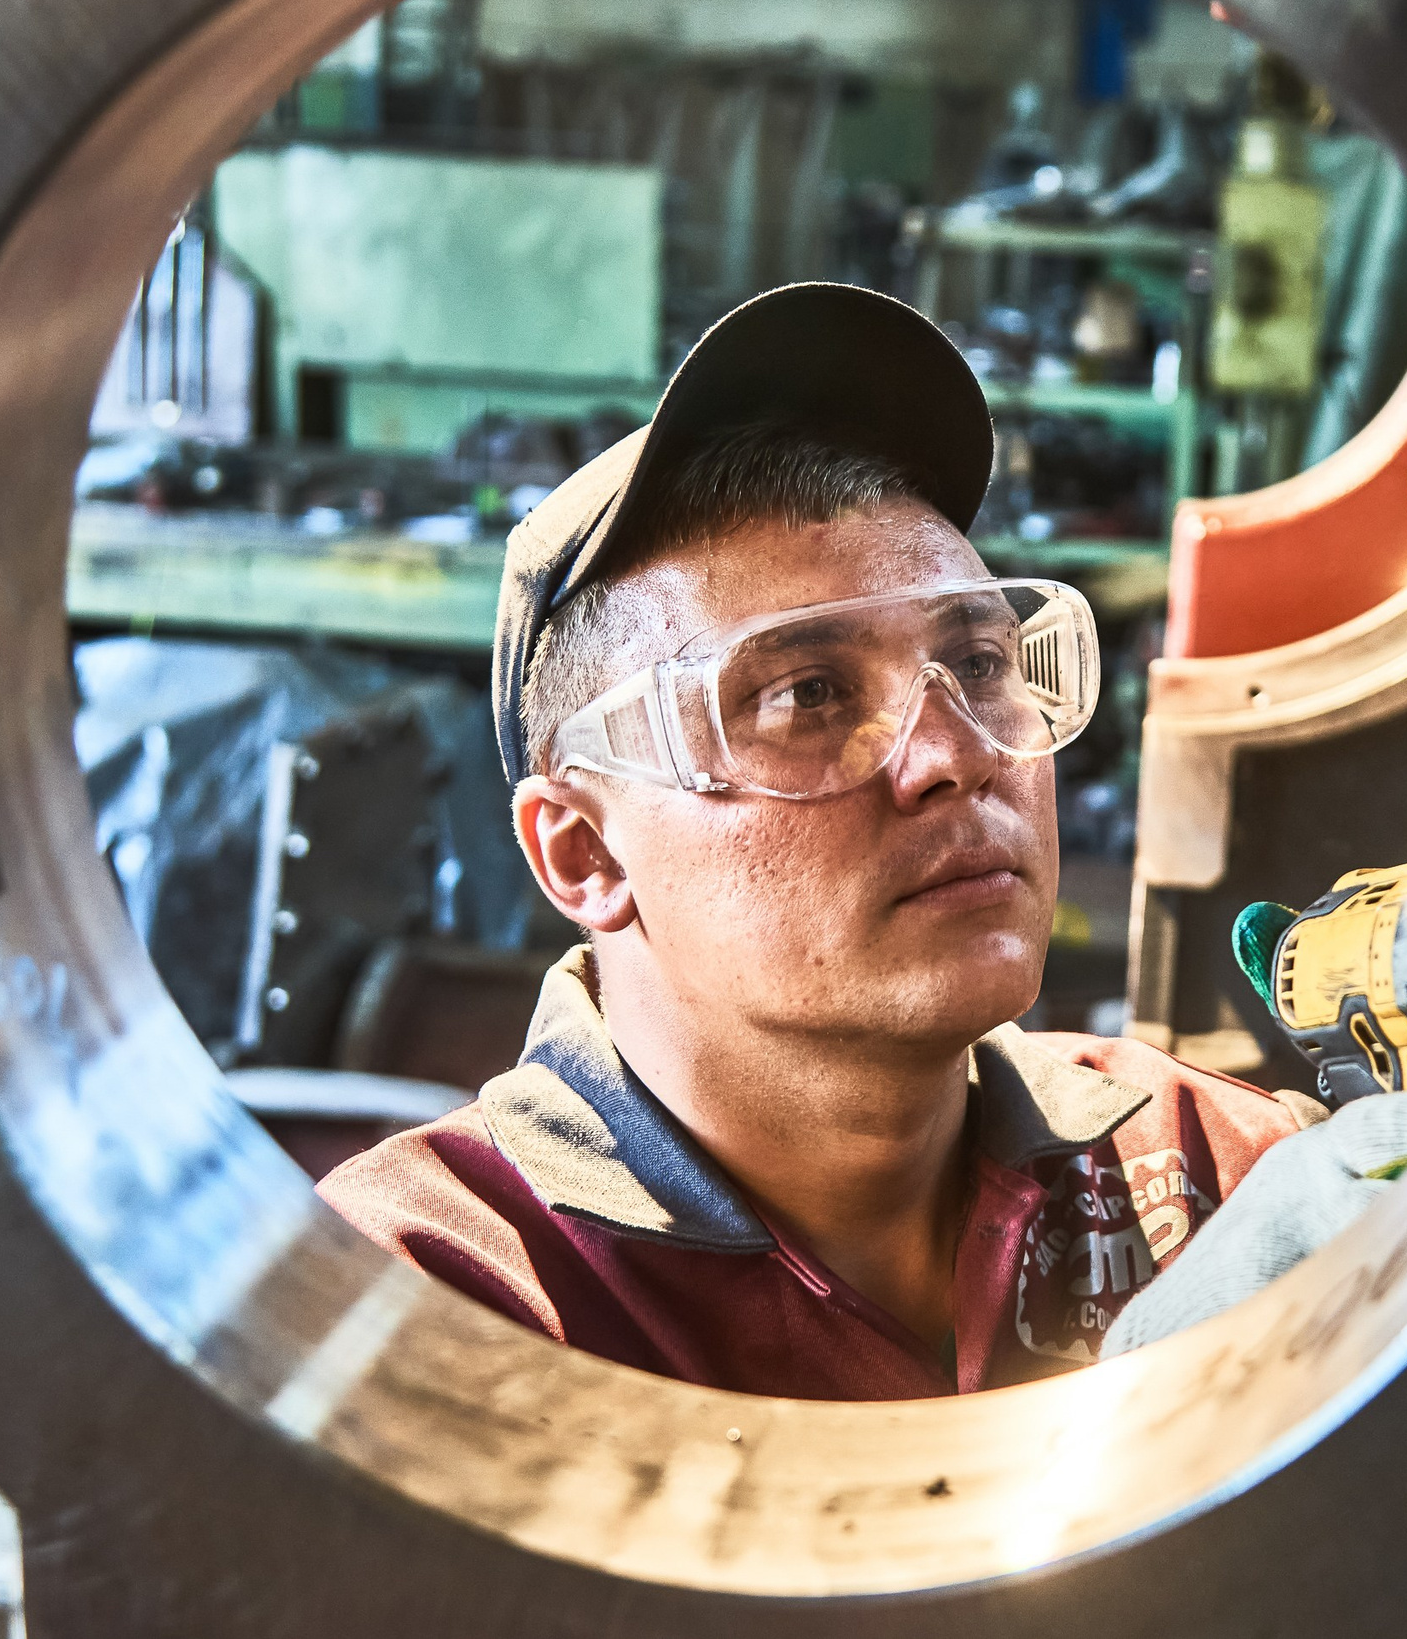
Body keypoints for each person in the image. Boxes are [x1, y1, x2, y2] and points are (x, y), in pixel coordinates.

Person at [319, 283, 1325, 1400]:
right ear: (583, 854)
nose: (953, 754)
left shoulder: (1204, 1175)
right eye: (806, 695)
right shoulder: (429, 1302)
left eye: (981, 665)